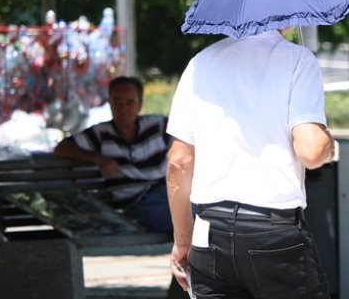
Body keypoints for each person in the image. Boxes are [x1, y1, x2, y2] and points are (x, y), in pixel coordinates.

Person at [166, 27, 334, 298]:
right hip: (273, 229)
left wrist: (182, 240)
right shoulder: (297, 60)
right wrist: (328, 144)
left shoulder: (199, 63)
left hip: (209, 231)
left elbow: (178, 162)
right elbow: (312, 152)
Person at [53, 76, 173, 234]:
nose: (123, 108)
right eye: (117, 102)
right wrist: (98, 159)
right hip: (137, 205)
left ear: (140, 104)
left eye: (130, 102)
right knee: (179, 218)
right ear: (110, 104)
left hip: (167, 193)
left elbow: (186, 143)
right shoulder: (101, 133)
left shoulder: (157, 125)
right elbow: (61, 148)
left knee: (195, 210)